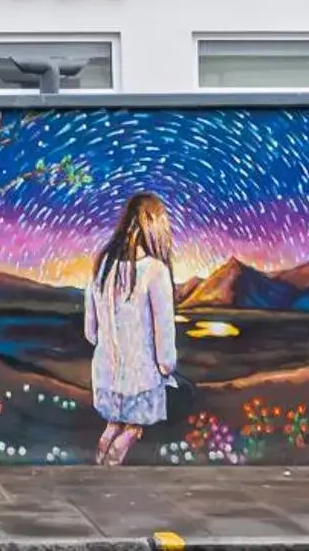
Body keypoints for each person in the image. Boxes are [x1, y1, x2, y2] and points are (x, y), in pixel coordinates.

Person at [84, 190, 180, 466]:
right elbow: (164, 340)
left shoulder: (101, 266)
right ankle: (111, 477)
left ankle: (100, 474)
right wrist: (167, 368)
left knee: (112, 426)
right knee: (132, 430)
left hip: (105, 376)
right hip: (142, 379)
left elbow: (91, 333)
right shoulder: (156, 271)